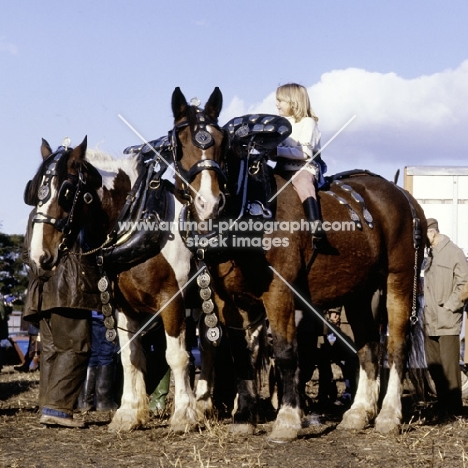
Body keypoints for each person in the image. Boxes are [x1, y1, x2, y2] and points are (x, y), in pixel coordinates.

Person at [23, 210, 103, 428]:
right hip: (70, 289)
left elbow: (25, 253)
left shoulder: (36, 213)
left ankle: (47, 406)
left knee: (51, 350)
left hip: (41, 291)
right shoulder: (71, 209)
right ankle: (57, 408)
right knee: (74, 346)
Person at [423, 218, 468, 420]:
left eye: (423, 235)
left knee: (450, 368)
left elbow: (465, 285)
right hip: (430, 321)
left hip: (447, 321)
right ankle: (442, 407)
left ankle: (454, 410)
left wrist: (450, 306)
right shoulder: (429, 256)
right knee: (434, 365)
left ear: (432, 233)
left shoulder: (454, 252)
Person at [272, 83, 327, 241]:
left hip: (303, 168)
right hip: (281, 168)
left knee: (303, 183)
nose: (277, 104)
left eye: (280, 100)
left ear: (293, 102)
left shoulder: (307, 122)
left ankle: (316, 228)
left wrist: (276, 152)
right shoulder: (278, 124)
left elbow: (304, 152)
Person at [76, 311, 119, 411]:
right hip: (106, 317)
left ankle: (85, 401)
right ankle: (103, 401)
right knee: (106, 355)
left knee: (92, 354)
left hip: (90, 315)